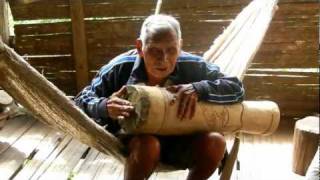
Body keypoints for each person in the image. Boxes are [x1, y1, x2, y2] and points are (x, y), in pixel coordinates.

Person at [75, 14, 244, 180]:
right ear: (140, 47)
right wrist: (104, 106)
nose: (163, 59)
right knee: (149, 145)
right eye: (155, 51)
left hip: (181, 141)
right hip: (137, 143)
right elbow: (81, 99)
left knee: (216, 142)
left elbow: (236, 88)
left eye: (171, 50)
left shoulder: (194, 66)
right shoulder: (120, 67)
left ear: (180, 46)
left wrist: (199, 88)